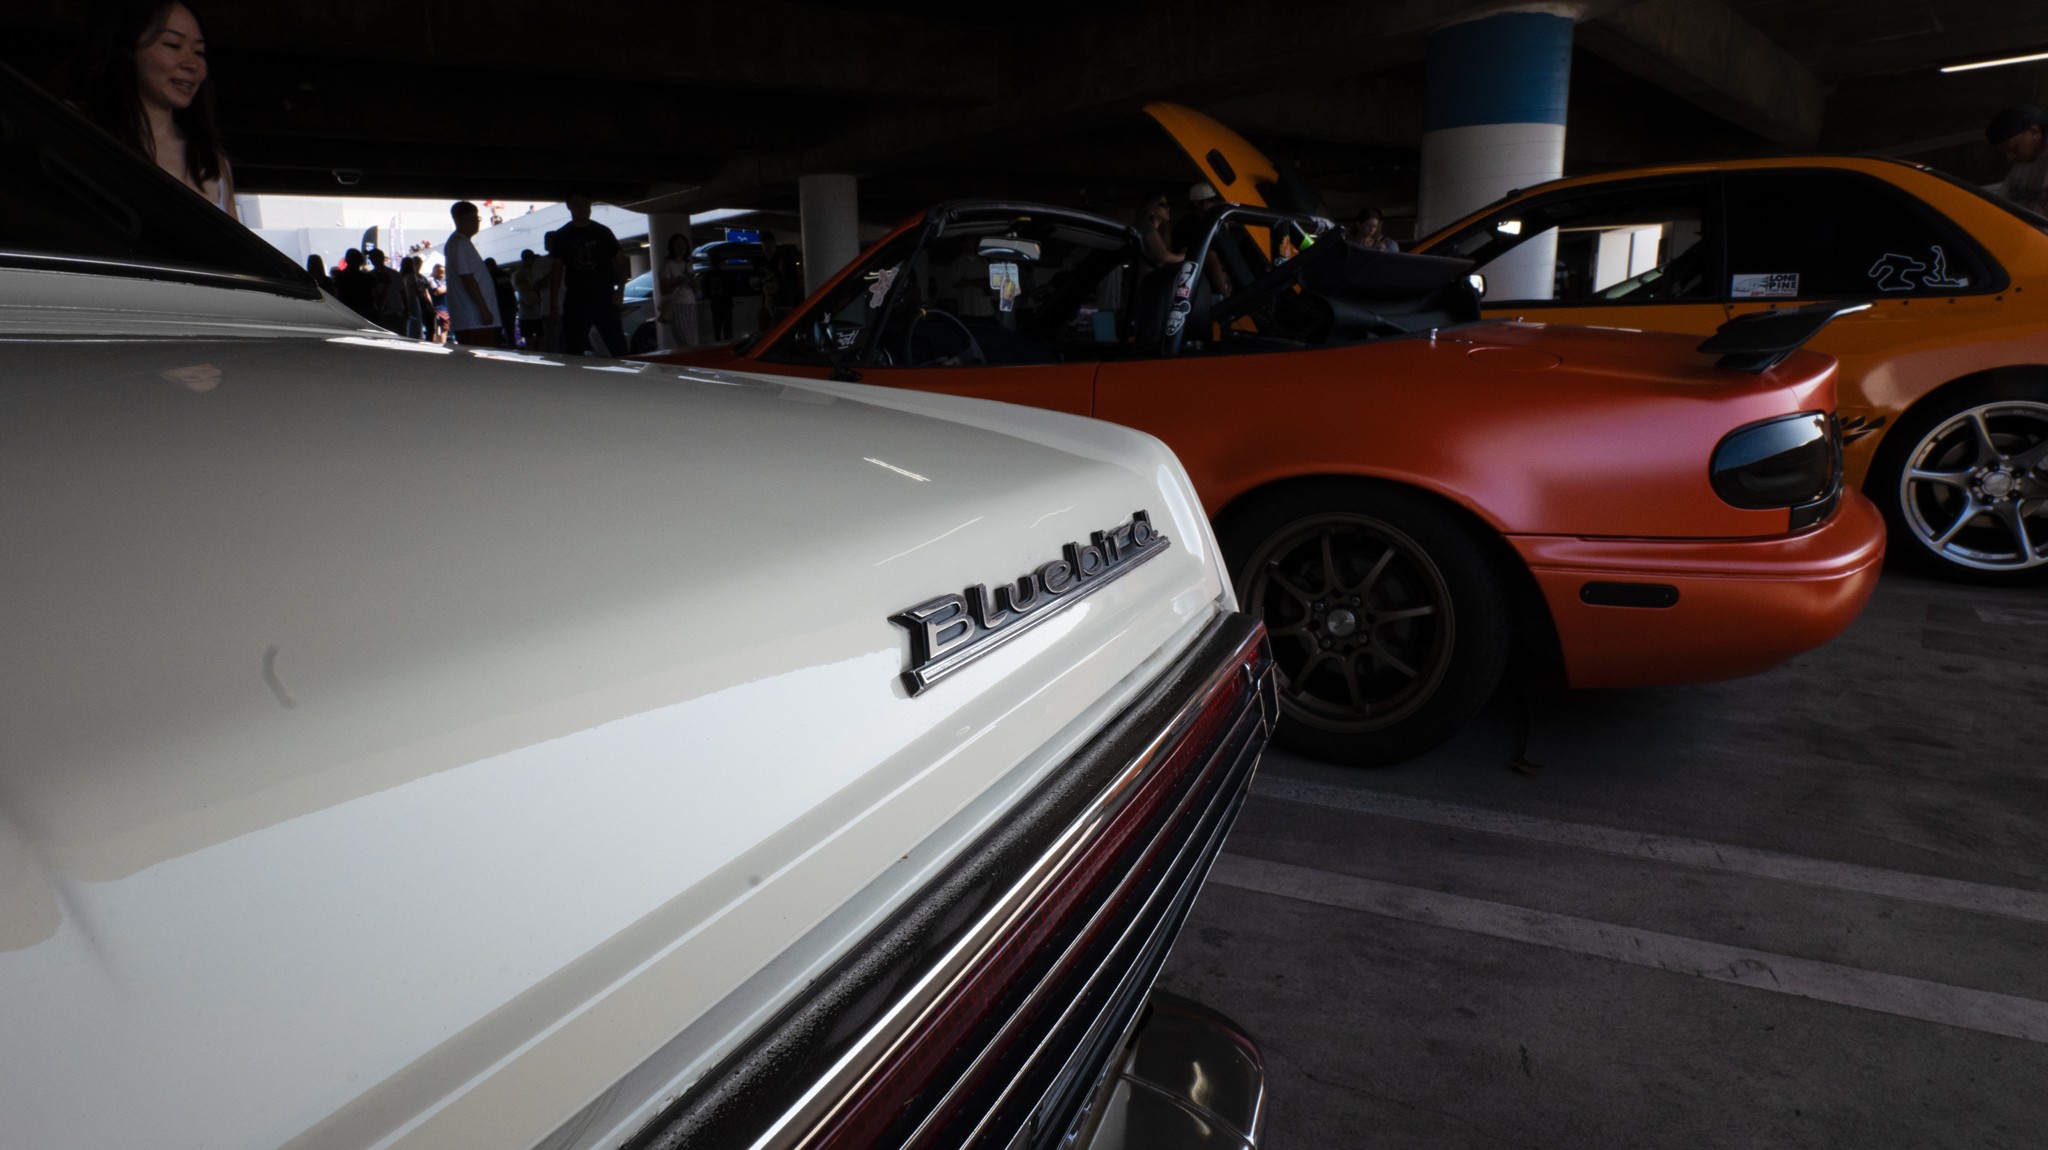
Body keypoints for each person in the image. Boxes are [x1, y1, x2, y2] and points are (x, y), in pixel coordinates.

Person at [75, 1, 237, 217]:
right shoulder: (83, 133)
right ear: (127, 49)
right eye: (172, 45)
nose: (192, 64)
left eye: (199, 52)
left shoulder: (212, 159)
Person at [545, 194, 627, 356]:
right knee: (573, 349)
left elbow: (622, 261)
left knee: (618, 346)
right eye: (577, 204)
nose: (582, 208)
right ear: (569, 207)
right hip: (576, 299)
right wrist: (553, 302)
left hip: (604, 296)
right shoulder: (562, 235)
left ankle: (629, 378)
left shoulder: (602, 232)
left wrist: (620, 290)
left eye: (585, 203)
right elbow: (556, 270)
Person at [443, 201, 500, 347]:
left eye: (477, 219)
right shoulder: (460, 244)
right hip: (474, 319)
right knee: (481, 362)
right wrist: (484, 309)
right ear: (458, 220)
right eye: (471, 219)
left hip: (472, 319)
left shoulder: (458, 243)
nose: (476, 223)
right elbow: (467, 278)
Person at [1985, 105, 2048, 216]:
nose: (2010, 157)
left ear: (2034, 131)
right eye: (2005, 152)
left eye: (2014, 148)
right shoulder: (2022, 164)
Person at [656, 233, 699, 349]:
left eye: (683, 244)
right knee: (686, 341)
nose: (681, 247)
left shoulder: (688, 264)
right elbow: (663, 290)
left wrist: (693, 282)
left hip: (691, 304)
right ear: (672, 247)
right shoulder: (668, 265)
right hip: (677, 305)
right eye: (677, 244)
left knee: (693, 339)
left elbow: (694, 287)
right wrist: (677, 283)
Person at [755, 230, 803, 331]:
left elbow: (792, 282)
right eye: (765, 246)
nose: (767, 249)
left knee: (775, 330)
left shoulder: (783, 261)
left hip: (782, 304)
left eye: (769, 245)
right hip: (772, 304)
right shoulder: (762, 263)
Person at [513, 249, 556, 351]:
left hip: (526, 310)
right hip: (538, 310)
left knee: (530, 340)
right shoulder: (537, 272)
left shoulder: (517, 274)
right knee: (541, 339)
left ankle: (532, 359)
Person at [1134, 192, 1185, 275]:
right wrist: (1185, 256)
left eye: (1168, 205)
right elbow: (1164, 257)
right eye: (1163, 204)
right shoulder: (1147, 227)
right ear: (1151, 208)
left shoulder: (1159, 231)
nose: (1168, 208)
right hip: (1145, 280)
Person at [367, 248, 409, 334]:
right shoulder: (369, 276)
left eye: (373, 257)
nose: (372, 260)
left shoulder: (394, 274)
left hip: (396, 313)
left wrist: (406, 310)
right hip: (381, 315)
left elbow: (403, 293)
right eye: (371, 258)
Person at [331, 247, 376, 320]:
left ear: (346, 260)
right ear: (361, 261)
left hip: (347, 313)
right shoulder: (368, 277)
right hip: (366, 313)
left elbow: (337, 295)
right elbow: (374, 296)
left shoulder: (340, 277)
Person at [701, 260, 735, 342]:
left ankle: (720, 344)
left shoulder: (708, 275)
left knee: (717, 329)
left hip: (716, 305)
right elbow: (732, 287)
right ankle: (727, 344)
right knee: (727, 329)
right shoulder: (726, 274)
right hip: (725, 304)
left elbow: (705, 290)